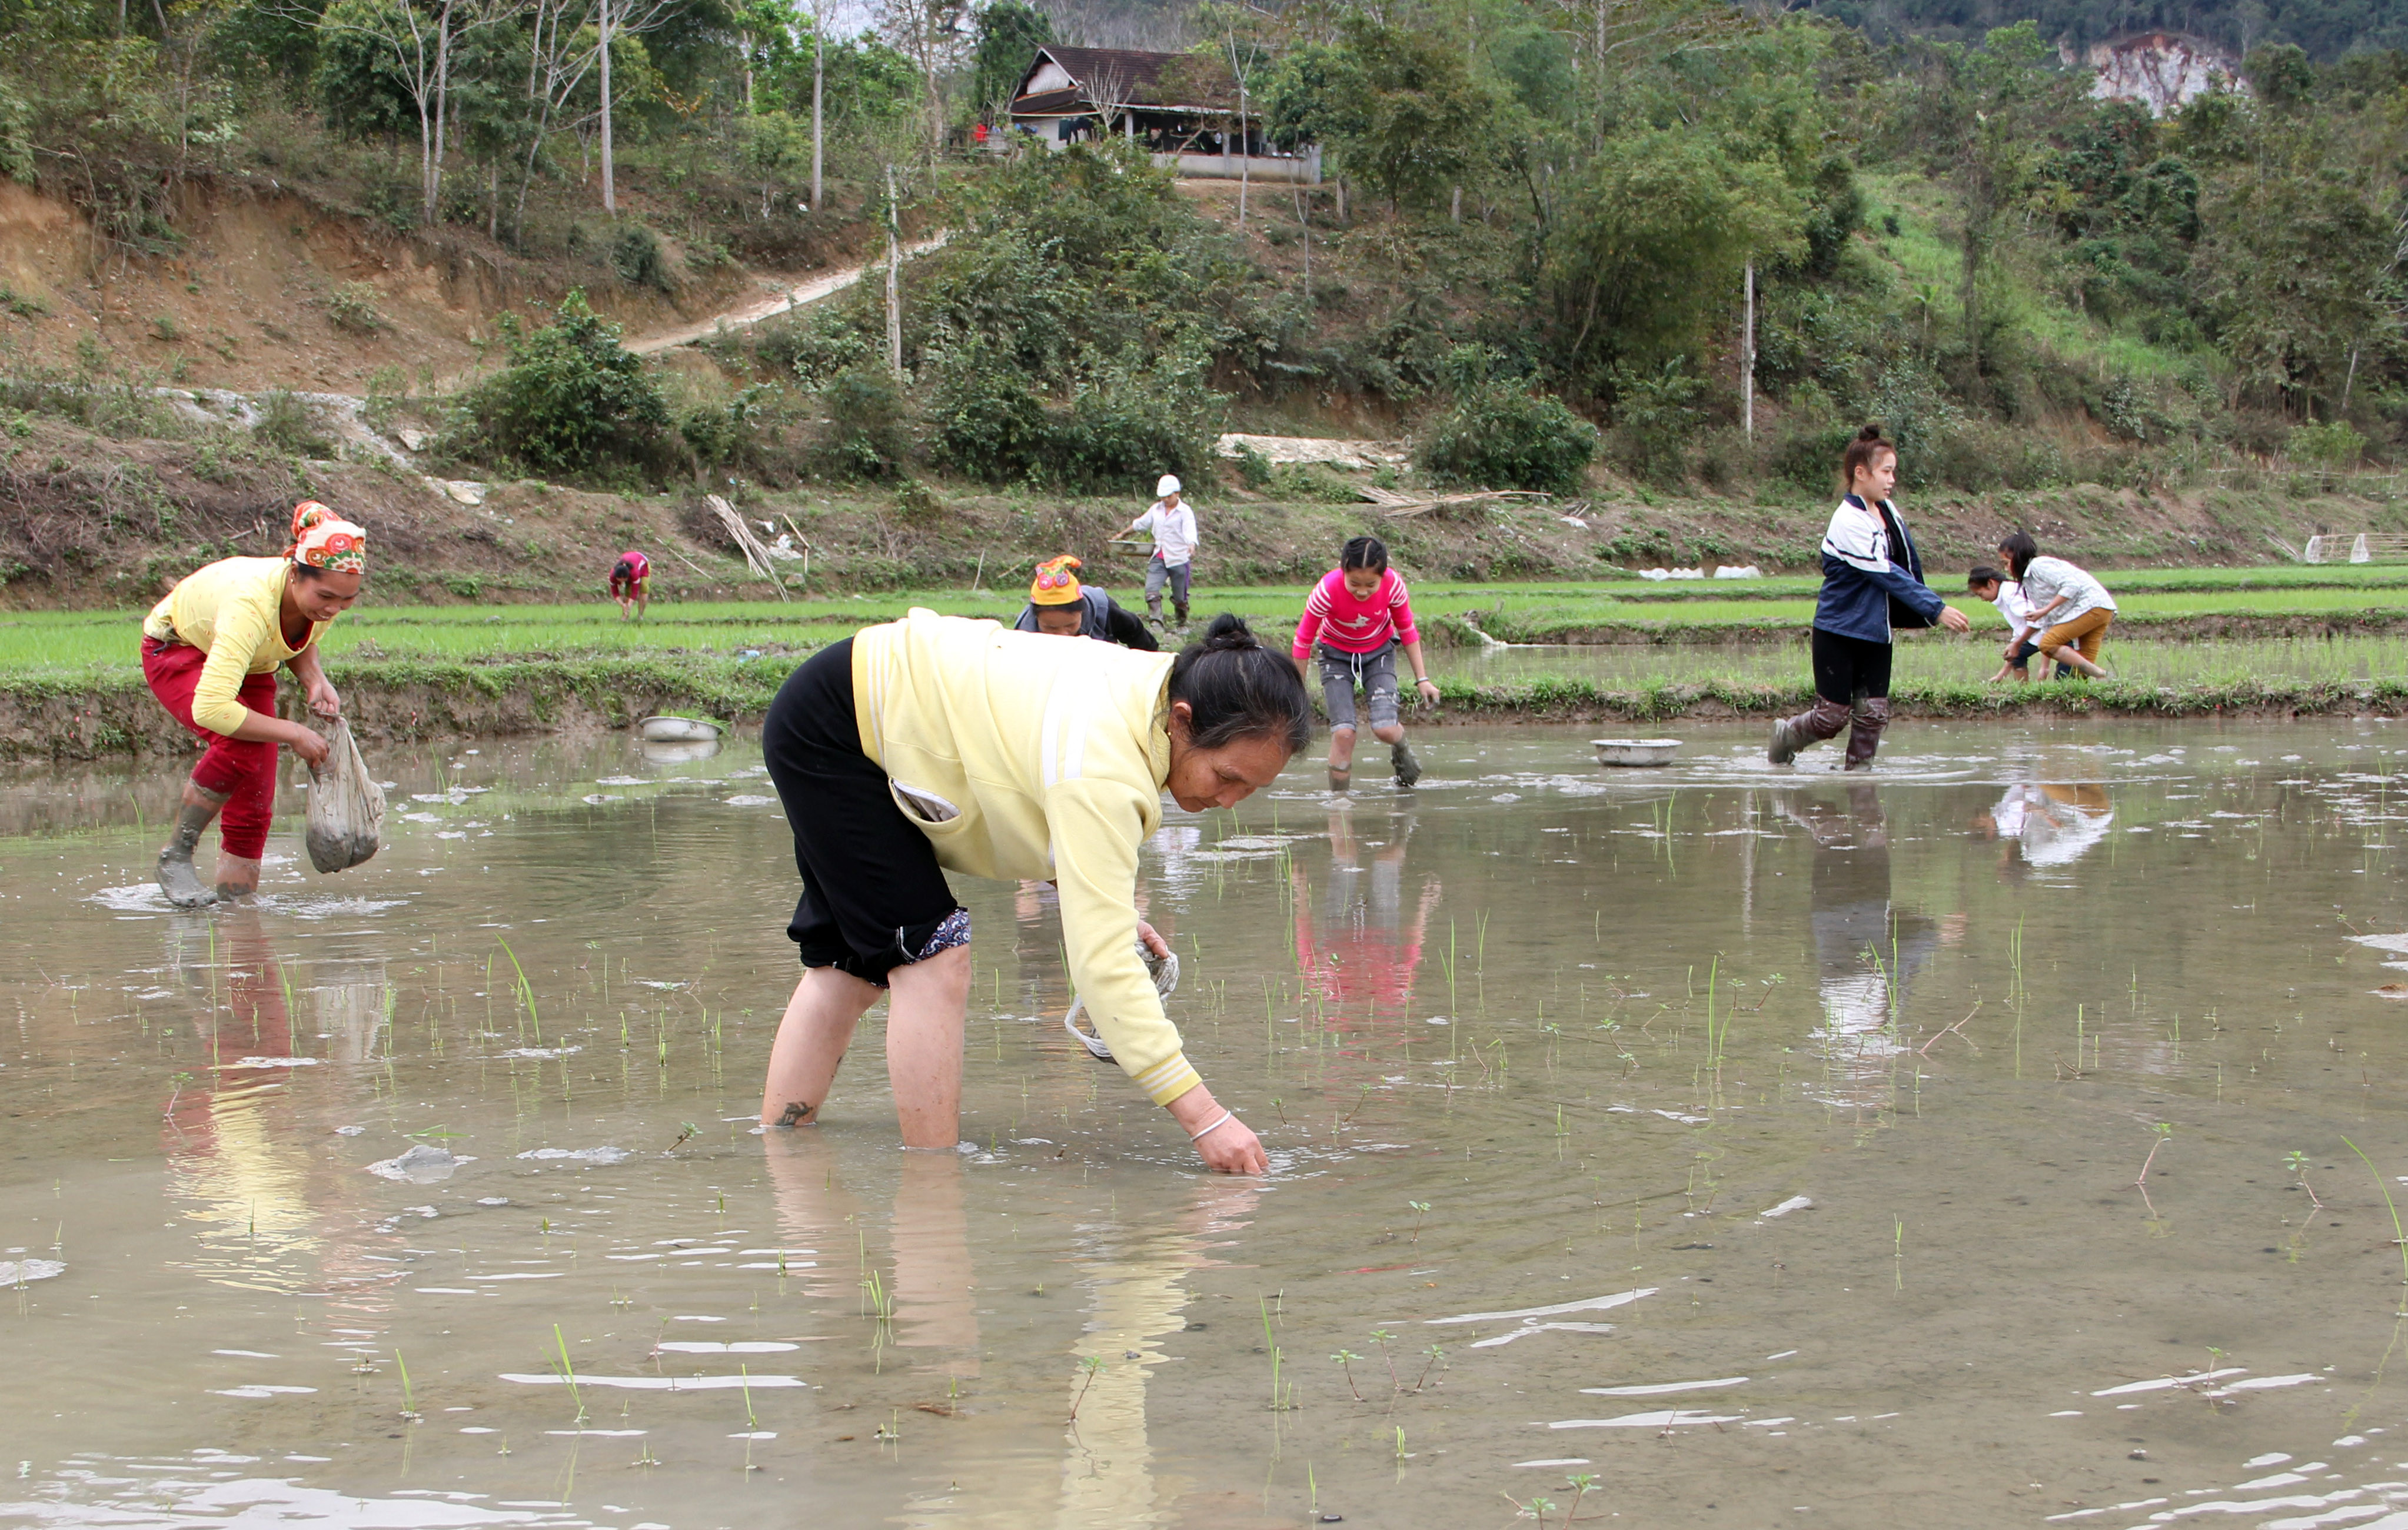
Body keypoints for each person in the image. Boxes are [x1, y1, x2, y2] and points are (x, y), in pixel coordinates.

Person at [756, 609, 1312, 1173]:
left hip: (857, 701)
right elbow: (1105, 971)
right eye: (1228, 777)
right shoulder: (1108, 764)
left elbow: (1030, 767)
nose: (1229, 802)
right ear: (1184, 722)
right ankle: (931, 1187)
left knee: (848, 965)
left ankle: (782, 1153)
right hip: (844, 728)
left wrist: (1107, 912)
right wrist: (1208, 1120)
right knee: (933, 958)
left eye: (1251, 789)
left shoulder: (1162, 690)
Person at [142, 501, 365, 907]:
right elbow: (211, 709)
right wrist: (295, 733)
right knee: (240, 745)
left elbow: (299, 637)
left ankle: (238, 910)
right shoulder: (249, 604)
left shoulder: (321, 598)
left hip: (252, 663)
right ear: (294, 572)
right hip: (179, 648)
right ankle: (176, 854)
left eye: (346, 601)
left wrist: (316, 680)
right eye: (327, 596)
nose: (333, 608)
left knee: (258, 792)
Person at [1768, 425, 1972, 770]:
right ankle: (1786, 737)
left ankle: (1859, 778)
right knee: (1832, 717)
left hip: (1877, 629)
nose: (1892, 479)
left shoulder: (1888, 511)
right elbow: (1886, 572)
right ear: (1860, 473)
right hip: (1840, 629)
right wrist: (1935, 608)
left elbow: (1907, 564)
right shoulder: (1849, 520)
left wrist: (1914, 611)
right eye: (1886, 471)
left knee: (1873, 713)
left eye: (1894, 471)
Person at [1291, 535, 1440, 790]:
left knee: (1386, 730)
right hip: (1335, 655)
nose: (1362, 591)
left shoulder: (1394, 586)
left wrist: (1423, 679)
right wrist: (1295, 691)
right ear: (1343, 572)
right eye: (1354, 583)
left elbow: (1407, 630)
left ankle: (1401, 748)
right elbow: (1303, 641)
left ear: (1383, 576)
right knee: (1343, 734)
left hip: (1378, 653)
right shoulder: (1326, 591)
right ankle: (1340, 805)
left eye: (1371, 584)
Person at [1998, 532, 2116, 680]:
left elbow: (2071, 585)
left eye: (2006, 563)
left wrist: (2045, 610)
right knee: (2079, 675)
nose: (2006, 569)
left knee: (2048, 644)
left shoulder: (2039, 566)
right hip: (2100, 609)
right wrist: (2017, 644)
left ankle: (2102, 674)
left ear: (2017, 557)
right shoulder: (2029, 581)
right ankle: (2097, 684)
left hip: (2091, 607)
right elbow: (2043, 620)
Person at [1012, 555, 1159, 649]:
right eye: (1051, 628)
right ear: (1036, 618)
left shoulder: (1103, 609)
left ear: (1083, 611)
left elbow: (1136, 634)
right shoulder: (1024, 635)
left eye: (1071, 625)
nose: (1064, 635)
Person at [1966, 565, 2069, 683]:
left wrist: (2043, 667)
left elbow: (2037, 621)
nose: (1982, 599)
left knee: (2066, 674)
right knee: (2017, 656)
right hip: (2047, 632)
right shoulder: (2008, 592)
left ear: (1991, 584)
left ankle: (2023, 691)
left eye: (1980, 594)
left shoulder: (2010, 595)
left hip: (2059, 630)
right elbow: (2021, 628)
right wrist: (2002, 674)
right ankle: (2023, 692)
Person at [1126, 475, 1198, 631]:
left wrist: (1191, 544)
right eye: (1163, 496)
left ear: (1177, 493)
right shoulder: (1156, 509)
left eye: (1169, 496)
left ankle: (1181, 623)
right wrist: (1123, 535)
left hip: (1179, 558)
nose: (1165, 499)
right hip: (1159, 556)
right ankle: (1156, 623)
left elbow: (1190, 530)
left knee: (1180, 598)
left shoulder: (1185, 512)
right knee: (1151, 591)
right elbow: (1141, 524)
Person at [609, 550, 650, 621]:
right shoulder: (612, 575)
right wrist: (623, 605)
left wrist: (629, 605)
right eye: (620, 580)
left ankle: (640, 616)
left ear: (628, 577)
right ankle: (625, 616)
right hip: (629, 559)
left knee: (644, 588)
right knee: (628, 592)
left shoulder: (634, 573)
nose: (622, 582)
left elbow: (635, 593)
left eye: (624, 580)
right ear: (616, 577)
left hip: (643, 564)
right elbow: (615, 593)